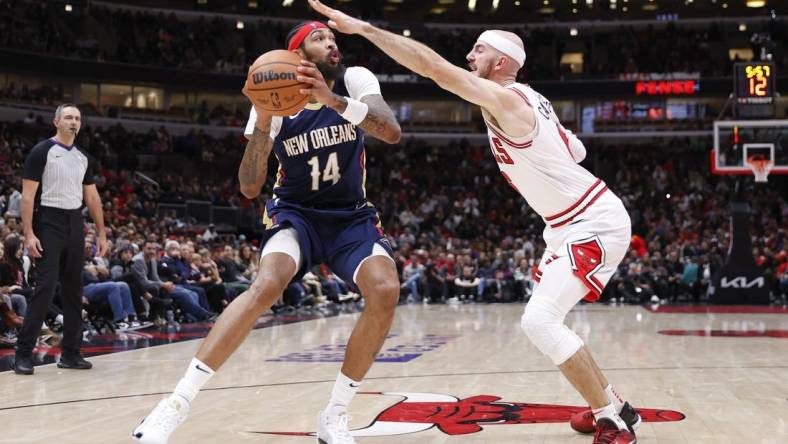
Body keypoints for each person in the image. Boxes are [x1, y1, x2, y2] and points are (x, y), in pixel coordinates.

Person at [308, 2, 639, 443]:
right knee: (549, 318)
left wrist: (366, 29)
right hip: (568, 222)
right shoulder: (532, 99)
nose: (469, 57)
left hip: (590, 219)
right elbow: (575, 150)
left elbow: (433, 67)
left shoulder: (504, 96)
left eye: (478, 51)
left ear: (500, 63)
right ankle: (614, 406)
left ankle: (612, 425)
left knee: (539, 322)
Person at [134, 20, 402, 444]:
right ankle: (176, 403)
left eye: (332, 37)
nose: (331, 42)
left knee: (385, 290)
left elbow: (391, 131)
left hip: (350, 217)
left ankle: (334, 414)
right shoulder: (275, 97)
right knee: (267, 284)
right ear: (297, 56)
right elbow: (248, 187)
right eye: (319, 38)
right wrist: (262, 123)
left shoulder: (354, 79)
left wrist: (332, 101)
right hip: (295, 214)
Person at [14, 103, 107, 375]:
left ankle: (71, 353)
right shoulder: (42, 151)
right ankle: (23, 353)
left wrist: (101, 232)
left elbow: (92, 197)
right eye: (68, 117)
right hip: (49, 221)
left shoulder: (83, 157)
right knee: (44, 288)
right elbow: (28, 196)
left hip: (74, 222)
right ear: (56, 121)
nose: (73, 122)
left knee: (73, 290)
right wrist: (29, 233)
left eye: (77, 118)